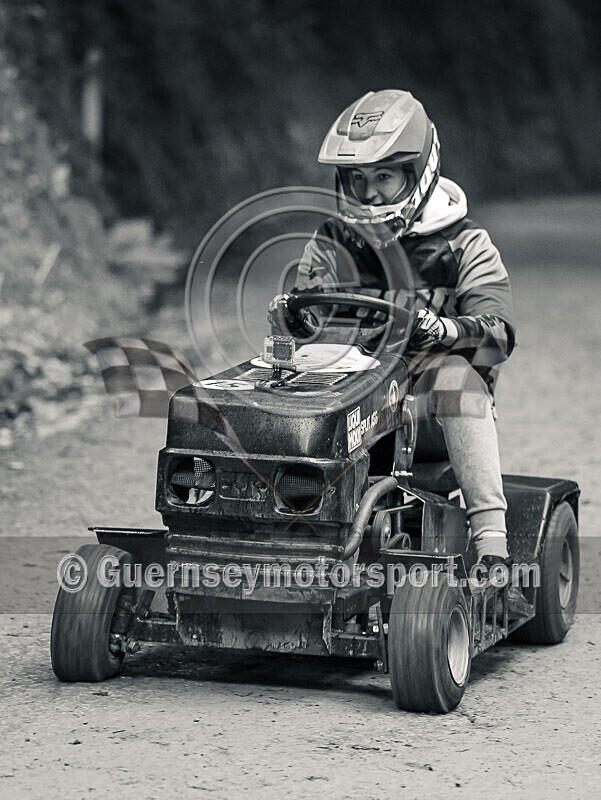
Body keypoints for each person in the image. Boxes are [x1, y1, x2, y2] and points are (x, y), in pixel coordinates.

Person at [269, 89, 529, 614]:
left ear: (418, 173)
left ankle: (493, 550)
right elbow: (309, 320)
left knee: (456, 377)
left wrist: (442, 329)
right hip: (353, 395)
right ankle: (272, 539)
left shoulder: (465, 244)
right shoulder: (332, 243)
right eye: (358, 180)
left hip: (430, 410)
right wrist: (296, 317)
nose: (369, 193)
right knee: (282, 379)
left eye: (384, 177)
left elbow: (499, 332)